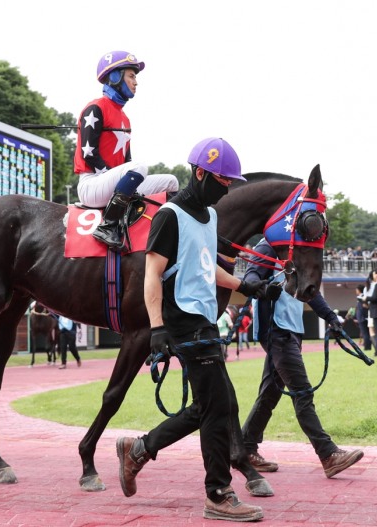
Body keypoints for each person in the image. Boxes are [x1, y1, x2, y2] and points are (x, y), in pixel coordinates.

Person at [116, 137, 267, 522]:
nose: (226, 188)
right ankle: (218, 493)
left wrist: (246, 285)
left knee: (214, 405)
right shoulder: (169, 216)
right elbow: (152, 274)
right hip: (182, 320)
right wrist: (157, 329)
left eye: (230, 182)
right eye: (222, 180)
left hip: (205, 320)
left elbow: (203, 265)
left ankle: (139, 450)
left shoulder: (210, 217)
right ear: (200, 173)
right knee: (217, 408)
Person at [241, 238, 364, 479]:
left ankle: (245, 448)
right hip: (277, 331)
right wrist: (263, 288)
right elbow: (251, 277)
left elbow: (308, 290)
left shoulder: (294, 250)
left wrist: (330, 317)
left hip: (291, 330)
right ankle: (328, 454)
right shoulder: (267, 246)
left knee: (269, 394)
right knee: (302, 392)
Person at [74, 50, 179, 250]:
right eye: (131, 76)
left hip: (112, 184)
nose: (136, 82)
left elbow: (126, 161)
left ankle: (165, 231)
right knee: (139, 167)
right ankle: (108, 225)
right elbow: (88, 153)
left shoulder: (125, 118)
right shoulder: (95, 108)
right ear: (115, 77)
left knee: (171, 182)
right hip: (91, 185)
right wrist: (114, 177)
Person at [354, 284, 372, 351]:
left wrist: (364, 317)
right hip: (363, 317)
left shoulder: (362, 297)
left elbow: (364, 308)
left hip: (363, 318)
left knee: (365, 333)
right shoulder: (361, 297)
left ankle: (367, 347)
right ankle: (368, 346)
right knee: (366, 333)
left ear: (359, 290)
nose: (356, 291)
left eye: (356, 290)